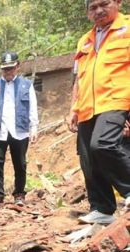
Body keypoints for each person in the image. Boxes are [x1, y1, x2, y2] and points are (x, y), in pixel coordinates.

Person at [67, 0, 130, 224]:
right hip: (86, 106)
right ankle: (102, 208)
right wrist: (73, 107)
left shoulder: (128, 29)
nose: (98, 11)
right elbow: (78, 79)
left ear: (118, 3)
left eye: (104, 4)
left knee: (103, 144)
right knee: (88, 158)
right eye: (92, 8)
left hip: (117, 100)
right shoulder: (84, 40)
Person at [0, 51, 39, 209]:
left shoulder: (26, 85)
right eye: (5, 69)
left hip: (20, 130)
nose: (8, 72)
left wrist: (34, 127)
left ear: (18, 66)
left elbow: (32, 107)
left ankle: (19, 194)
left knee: (20, 163)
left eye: (10, 68)